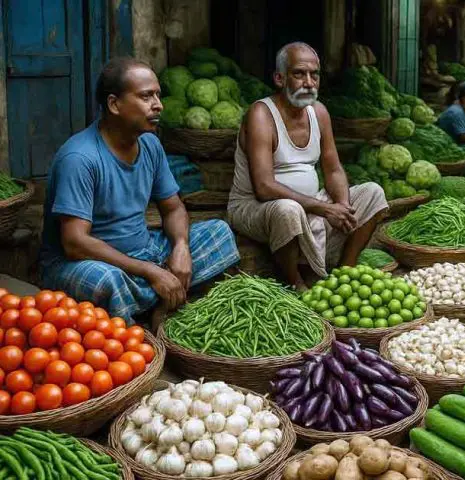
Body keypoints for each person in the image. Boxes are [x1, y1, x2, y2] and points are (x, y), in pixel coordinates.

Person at [40, 57, 240, 326]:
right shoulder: (80, 158)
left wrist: (180, 247)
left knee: (219, 232)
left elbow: (173, 207)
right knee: (105, 281)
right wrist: (148, 271)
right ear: (114, 104)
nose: (158, 105)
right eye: (146, 96)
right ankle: (157, 304)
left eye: (158, 95)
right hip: (88, 263)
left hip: (146, 250)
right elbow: (75, 243)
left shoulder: (150, 144)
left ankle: (153, 302)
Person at [228, 42, 387, 290]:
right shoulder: (261, 114)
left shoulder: (319, 112)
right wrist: (325, 209)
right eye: (299, 74)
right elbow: (264, 187)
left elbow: (333, 169)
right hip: (255, 207)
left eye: (315, 75)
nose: (309, 82)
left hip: (310, 202)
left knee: (373, 193)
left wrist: (342, 205)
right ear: (280, 79)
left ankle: (343, 274)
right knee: (288, 210)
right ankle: (297, 285)